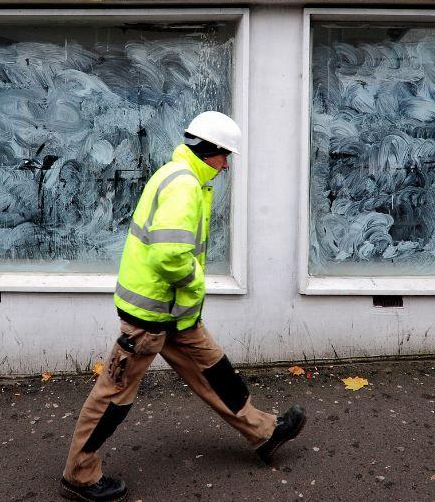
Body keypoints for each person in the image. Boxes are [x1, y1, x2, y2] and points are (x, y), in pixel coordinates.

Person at [59, 111, 307, 501]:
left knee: (216, 371)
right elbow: (170, 254)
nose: (226, 165)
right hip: (151, 318)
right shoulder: (184, 185)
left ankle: (263, 432)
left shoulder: (179, 176)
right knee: (114, 393)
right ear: (208, 151)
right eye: (225, 156)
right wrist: (195, 283)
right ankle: (79, 474)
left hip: (174, 314)